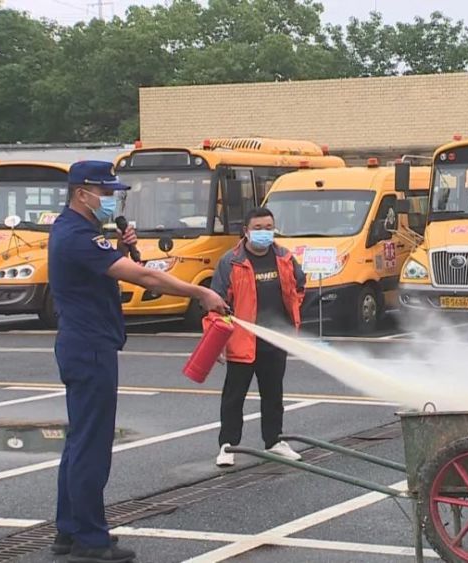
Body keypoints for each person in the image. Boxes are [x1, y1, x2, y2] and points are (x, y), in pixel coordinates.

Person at [48, 161, 227, 562]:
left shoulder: (79, 231)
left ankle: (70, 530)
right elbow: (143, 278)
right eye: (106, 192)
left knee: (79, 442)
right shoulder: (77, 236)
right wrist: (200, 294)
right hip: (89, 347)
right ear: (83, 193)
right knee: (91, 446)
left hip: (85, 344)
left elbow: (118, 267)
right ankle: (89, 540)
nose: (112, 199)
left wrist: (125, 245)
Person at [210, 206, 305, 467]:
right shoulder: (230, 261)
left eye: (268, 228)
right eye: (258, 228)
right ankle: (228, 445)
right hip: (242, 342)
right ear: (246, 231)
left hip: (275, 341)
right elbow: (216, 304)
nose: (264, 233)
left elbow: (299, 287)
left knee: (274, 395)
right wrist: (215, 341)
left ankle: (274, 441)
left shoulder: (284, 258)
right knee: (234, 396)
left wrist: (291, 322)